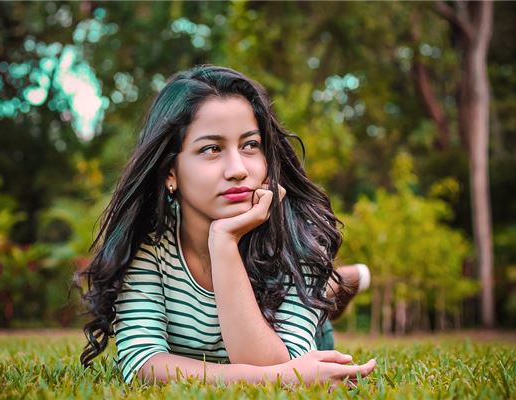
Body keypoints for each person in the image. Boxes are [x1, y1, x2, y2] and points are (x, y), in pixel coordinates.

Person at [79, 65, 376, 387]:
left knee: (318, 301)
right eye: (211, 149)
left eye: (250, 145)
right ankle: (338, 284)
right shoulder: (149, 245)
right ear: (170, 172)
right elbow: (142, 365)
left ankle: (334, 286)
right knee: (323, 291)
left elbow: (285, 362)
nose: (237, 169)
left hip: (300, 329)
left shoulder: (296, 241)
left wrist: (223, 243)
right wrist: (278, 378)